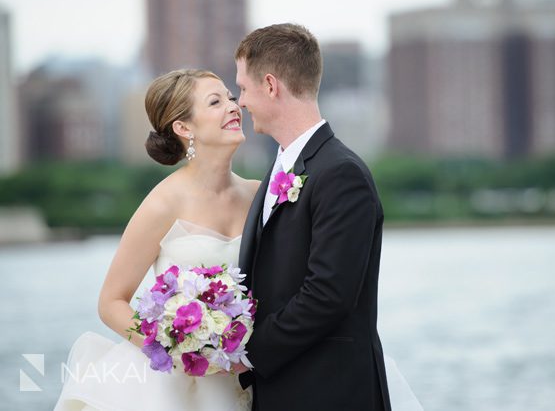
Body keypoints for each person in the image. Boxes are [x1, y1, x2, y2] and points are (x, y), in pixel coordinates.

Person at [54, 69, 258, 411]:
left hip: (244, 376)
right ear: (184, 128)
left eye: (231, 97)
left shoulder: (257, 194)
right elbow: (111, 302)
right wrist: (176, 350)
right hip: (169, 390)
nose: (233, 107)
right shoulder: (163, 203)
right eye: (215, 101)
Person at [234, 23, 395, 410]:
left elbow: (328, 295)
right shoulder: (279, 169)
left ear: (271, 85)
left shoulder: (341, 174)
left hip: (330, 392)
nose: (240, 101)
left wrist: (246, 352)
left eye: (243, 87)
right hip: (282, 389)